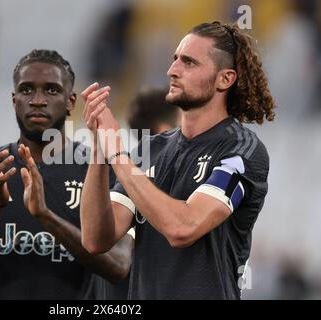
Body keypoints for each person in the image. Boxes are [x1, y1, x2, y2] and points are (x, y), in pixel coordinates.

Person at [80, 21, 276, 299]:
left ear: (225, 79)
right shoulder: (150, 149)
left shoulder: (241, 151)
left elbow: (182, 229)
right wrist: (100, 150)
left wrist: (117, 153)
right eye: (174, 60)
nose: (172, 70)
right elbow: (95, 239)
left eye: (189, 62)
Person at [0, 49, 133, 299]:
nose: (38, 100)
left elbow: (119, 265)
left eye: (52, 90)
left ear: (71, 102)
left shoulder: (103, 170)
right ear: (14, 100)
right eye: (27, 90)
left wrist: (46, 217)